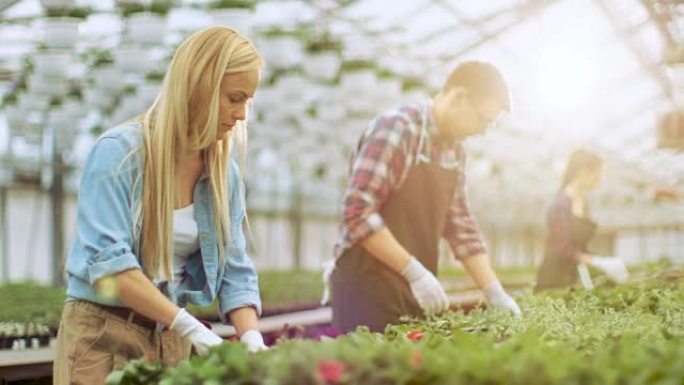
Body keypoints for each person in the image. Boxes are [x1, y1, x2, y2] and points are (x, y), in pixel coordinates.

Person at [54, 27, 267, 384]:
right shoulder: (120, 154)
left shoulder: (222, 174)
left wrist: (252, 338)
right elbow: (110, 266)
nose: (242, 114)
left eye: (248, 100)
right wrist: (192, 327)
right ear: (200, 86)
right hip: (103, 334)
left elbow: (235, 269)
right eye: (235, 97)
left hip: (171, 340)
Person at [330, 61, 521, 334]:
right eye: (483, 120)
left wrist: (494, 291)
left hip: (413, 286)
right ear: (459, 97)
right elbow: (357, 213)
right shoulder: (398, 128)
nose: (482, 131)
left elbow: (461, 227)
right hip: (367, 284)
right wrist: (414, 272)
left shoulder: (454, 150)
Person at [535, 149, 628, 291]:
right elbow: (562, 248)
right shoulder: (561, 204)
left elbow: (579, 247)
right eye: (597, 175)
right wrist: (596, 261)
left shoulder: (583, 203)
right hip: (554, 282)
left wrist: (602, 262)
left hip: (573, 278)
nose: (599, 180)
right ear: (583, 171)